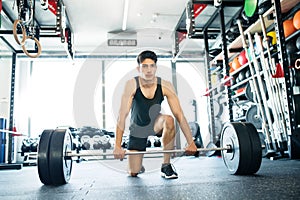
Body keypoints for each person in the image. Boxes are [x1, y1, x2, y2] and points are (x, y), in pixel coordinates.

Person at [113, 50, 197, 179]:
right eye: (145, 66)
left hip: (155, 124)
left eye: (152, 66)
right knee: (133, 173)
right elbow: (122, 115)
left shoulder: (165, 85)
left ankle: (166, 165)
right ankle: (136, 164)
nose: (148, 70)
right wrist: (117, 146)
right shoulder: (131, 85)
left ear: (156, 68)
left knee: (169, 119)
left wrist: (190, 141)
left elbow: (179, 114)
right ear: (138, 68)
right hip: (137, 129)